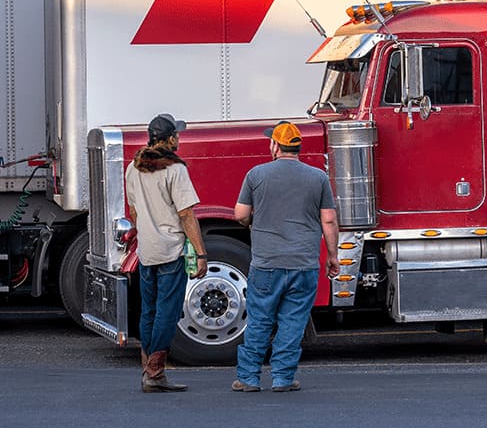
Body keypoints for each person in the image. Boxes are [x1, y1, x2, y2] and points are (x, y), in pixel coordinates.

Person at [233, 120, 340, 392]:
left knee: (260, 320)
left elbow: (240, 215)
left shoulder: (256, 175)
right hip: (303, 264)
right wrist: (333, 256)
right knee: (293, 322)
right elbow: (328, 220)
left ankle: (248, 378)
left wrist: (252, 222)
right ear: (298, 148)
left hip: (267, 264)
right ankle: (282, 378)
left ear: (275, 146)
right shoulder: (318, 178)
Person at [126, 113, 207, 393]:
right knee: (167, 312)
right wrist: (201, 253)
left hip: (146, 251)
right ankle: (155, 372)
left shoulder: (133, 169)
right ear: (170, 139)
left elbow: (134, 211)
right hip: (171, 250)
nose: (179, 139)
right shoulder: (175, 170)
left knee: (148, 310)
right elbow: (186, 214)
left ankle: (148, 369)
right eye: (177, 135)